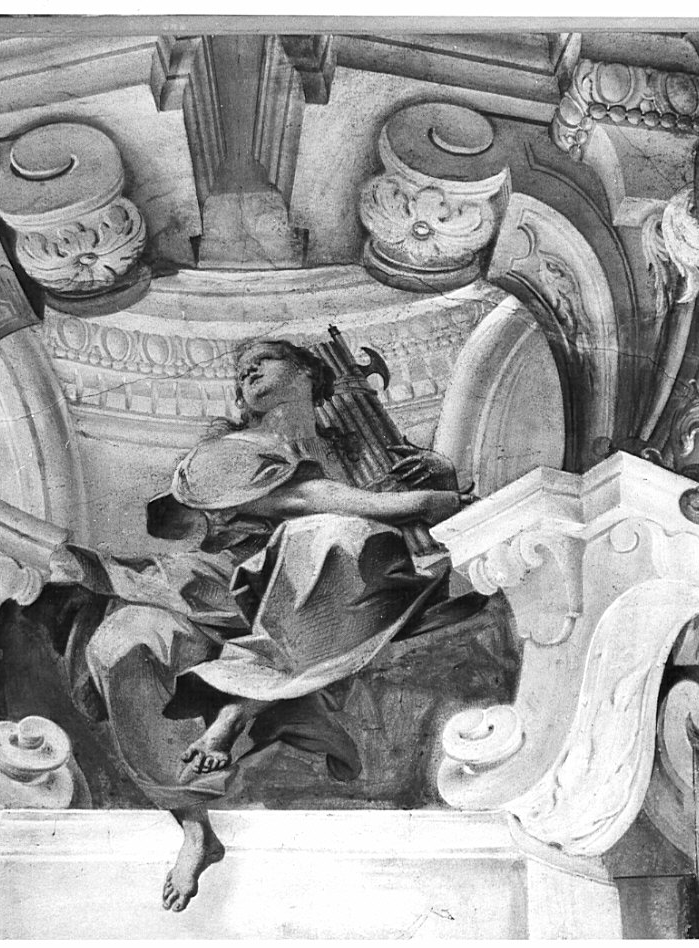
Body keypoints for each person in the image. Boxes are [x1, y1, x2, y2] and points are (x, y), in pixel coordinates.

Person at [50, 339, 481, 912]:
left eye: (263, 360)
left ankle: (235, 711)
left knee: (330, 540)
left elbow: (444, 524)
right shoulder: (229, 450)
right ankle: (194, 826)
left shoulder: (361, 448)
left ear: (308, 372)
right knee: (122, 640)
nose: (246, 372)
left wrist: (441, 479)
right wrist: (422, 502)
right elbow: (298, 501)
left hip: (322, 587)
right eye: (240, 371)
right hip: (220, 590)